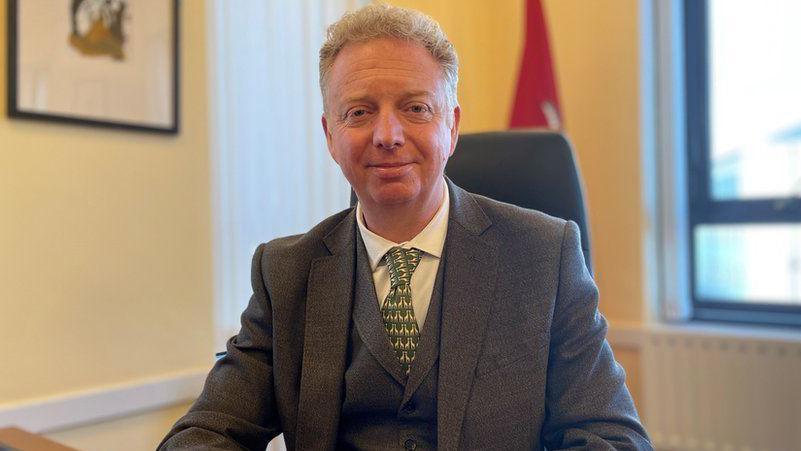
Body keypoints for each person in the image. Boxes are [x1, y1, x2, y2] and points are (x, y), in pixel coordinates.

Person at [160, 4, 651, 450]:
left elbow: (612, 436)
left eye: (415, 108)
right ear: (331, 136)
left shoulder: (544, 255)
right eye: (360, 112)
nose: (388, 135)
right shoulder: (286, 272)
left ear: (451, 127)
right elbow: (207, 431)